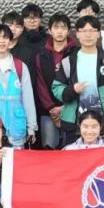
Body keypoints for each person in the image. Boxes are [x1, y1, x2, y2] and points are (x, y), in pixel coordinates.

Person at [52, 15, 104, 145]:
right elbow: (57, 88)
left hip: (103, 124)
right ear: (77, 34)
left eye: (92, 31)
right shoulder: (68, 61)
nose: (88, 35)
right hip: (74, 123)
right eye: (84, 31)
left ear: (98, 34)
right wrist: (72, 90)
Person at [34, 13, 78, 149]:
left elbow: (77, 82)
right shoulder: (42, 55)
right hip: (49, 112)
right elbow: (40, 83)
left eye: (63, 28)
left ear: (69, 31)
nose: (59, 31)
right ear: (49, 30)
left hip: (72, 109)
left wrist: (65, 107)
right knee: (49, 149)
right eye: (56, 27)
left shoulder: (76, 53)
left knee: (71, 150)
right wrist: (51, 108)